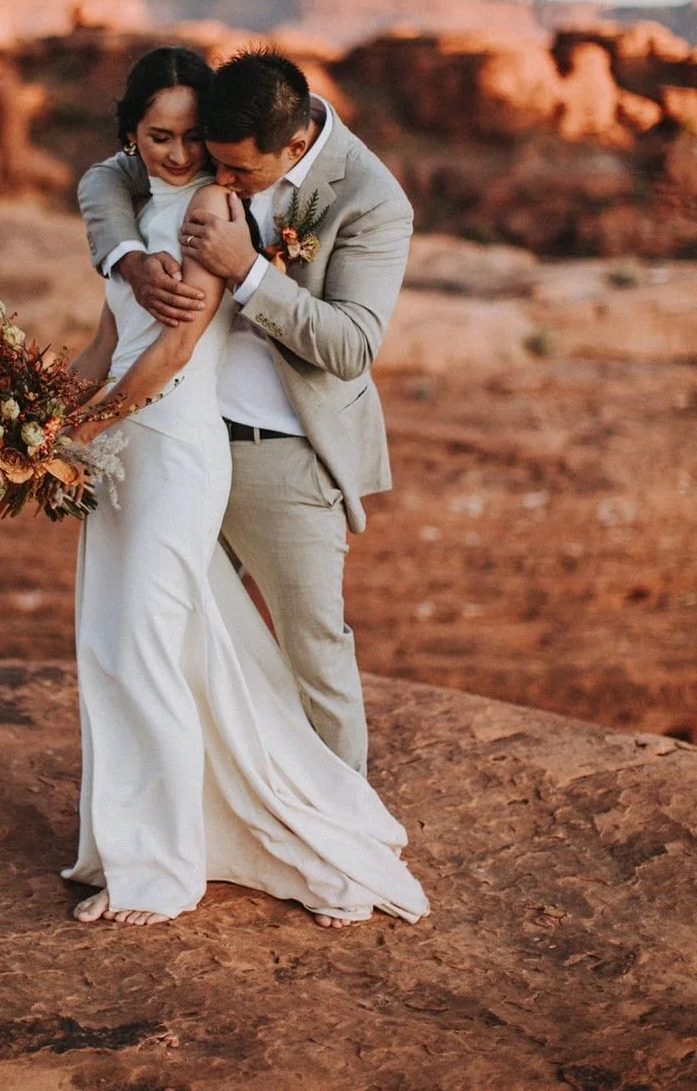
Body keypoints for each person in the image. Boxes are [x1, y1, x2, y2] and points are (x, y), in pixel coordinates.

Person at [63, 46, 428, 928]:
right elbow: (114, 174)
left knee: (310, 652)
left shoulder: (369, 198)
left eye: (233, 167)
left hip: (281, 452)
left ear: (295, 140)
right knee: (184, 646)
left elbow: (348, 348)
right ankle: (193, 828)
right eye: (191, 149)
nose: (207, 174)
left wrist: (250, 270)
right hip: (171, 443)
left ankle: (339, 830)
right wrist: (120, 258)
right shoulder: (196, 152)